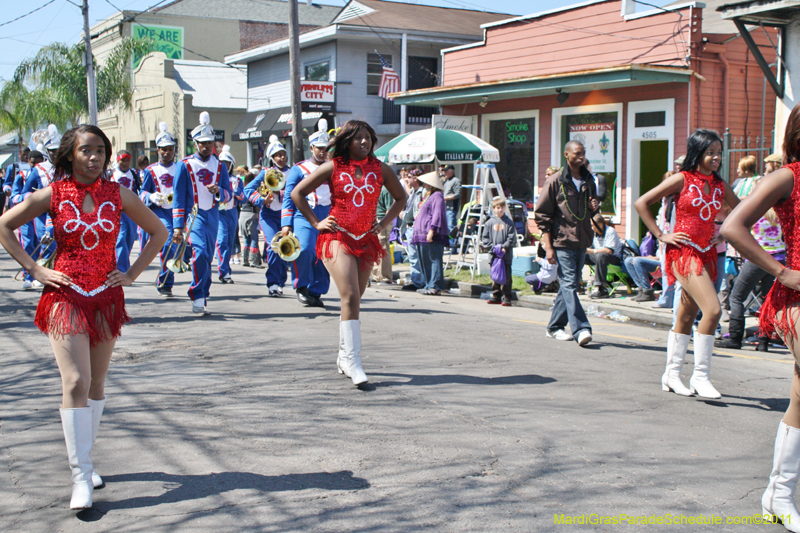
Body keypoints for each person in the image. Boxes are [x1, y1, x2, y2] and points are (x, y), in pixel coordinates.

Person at [0, 125, 167, 510]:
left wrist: (131, 273)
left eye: (101, 151)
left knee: (96, 383)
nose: (94, 158)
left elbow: (159, 232)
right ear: (70, 155)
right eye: (86, 150)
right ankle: (81, 476)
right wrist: (36, 270)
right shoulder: (53, 194)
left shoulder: (119, 193)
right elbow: (5, 225)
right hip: (65, 295)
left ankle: (87, 462)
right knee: (75, 379)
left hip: (106, 296)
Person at [721, 104, 800, 530]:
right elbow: (733, 226)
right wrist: (782, 271)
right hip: (794, 299)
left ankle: (779, 494)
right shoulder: (788, 176)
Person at [292, 120, 406, 386]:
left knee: (353, 300)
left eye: (368, 137)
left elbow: (401, 197)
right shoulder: (333, 166)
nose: (365, 142)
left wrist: (384, 221)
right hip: (337, 236)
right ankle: (354, 362)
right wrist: (316, 222)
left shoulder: (380, 169)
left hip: (366, 239)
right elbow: (299, 193)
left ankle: (344, 356)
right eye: (359, 138)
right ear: (347, 141)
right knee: (351, 295)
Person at [634, 129, 739, 399]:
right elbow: (641, 202)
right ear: (697, 153)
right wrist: (661, 235)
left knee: (686, 316)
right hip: (682, 253)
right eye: (710, 153)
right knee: (713, 311)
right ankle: (700, 376)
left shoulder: (720, 184)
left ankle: (671, 374)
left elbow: (740, 212)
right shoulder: (683, 178)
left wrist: (724, 230)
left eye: (718, 152)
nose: (716, 157)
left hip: (707, 253)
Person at [535, 140, 600, 347]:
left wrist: (594, 207)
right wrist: (548, 247)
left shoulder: (589, 179)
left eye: (583, 153)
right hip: (561, 240)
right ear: (566, 155)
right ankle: (581, 329)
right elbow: (542, 215)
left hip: (581, 240)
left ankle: (554, 327)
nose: (581, 157)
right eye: (577, 153)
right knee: (570, 284)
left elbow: (591, 210)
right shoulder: (555, 181)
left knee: (568, 285)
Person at [173, 111, 233, 314]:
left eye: (210, 143)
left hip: (213, 215)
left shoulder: (220, 166)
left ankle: (203, 293)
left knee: (207, 257)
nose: (207, 146)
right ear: (196, 143)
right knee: (199, 253)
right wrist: (178, 226)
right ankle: (197, 294)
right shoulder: (185, 165)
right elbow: (179, 197)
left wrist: (219, 192)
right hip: (194, 215)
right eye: (203, 143)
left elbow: (229, 195)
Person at [280, 119, 332, 307]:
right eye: (318, 148)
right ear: (311, 148)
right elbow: (289, 196)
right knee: (305, 249)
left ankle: (316, 290)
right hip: (304, 214)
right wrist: (286, 223)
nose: (322, 151)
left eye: (325, 148)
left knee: (325, 255)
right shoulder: (299, 169)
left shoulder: (333, 168)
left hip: (328, 214)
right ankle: (301, 286)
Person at [244, 136, 290, 296]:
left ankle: (281, 282)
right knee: (273, 247)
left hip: (286, 216)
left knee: (285, 247)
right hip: (268, 215)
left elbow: (299, 193)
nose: (282, 158)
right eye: (278, 155)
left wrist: (280, 192)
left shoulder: (293, 172)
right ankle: (273, 283)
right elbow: (248, 190)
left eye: (283, 154)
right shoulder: (264, 172)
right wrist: (262, 200)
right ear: (272, 157)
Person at [140, 122, 178, 297]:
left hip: (178, 210)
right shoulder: (151, 170)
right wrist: (151, 197)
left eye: (170, 149)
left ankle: (166, 278)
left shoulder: (181, 168)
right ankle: (165, 282)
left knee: (179, 248)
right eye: (163, 149)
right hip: (160, 211)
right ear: (158, 150)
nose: (167, 152)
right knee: (168, 241)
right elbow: (141, 194)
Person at [412, 171, 449, 295]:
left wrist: (432, 230)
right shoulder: (428, 195)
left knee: (434, 259)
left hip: (431, 233)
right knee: (424, 260)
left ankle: (435, 286)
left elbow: (437, 214)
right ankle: (428, 284)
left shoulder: (437, 195)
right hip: (421, 232)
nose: (424, 184)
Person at [215, 145, 245, 284]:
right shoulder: (215, 179)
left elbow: (243, 198)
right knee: (221, 241)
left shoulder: (237, 180)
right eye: (221, 164)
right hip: (219, 212)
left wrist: (236, 192)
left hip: (232, 212)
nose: (223, 167)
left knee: (229, 242)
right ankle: (223, 270)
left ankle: (225, 269)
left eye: (226, 164)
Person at [481, 196, 517, 305]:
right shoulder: (489, 223)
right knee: (495, 275)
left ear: (505, 208)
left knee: (506, 277)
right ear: (493, 208)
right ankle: (496, 295)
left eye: (502, 207)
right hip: (494, 255)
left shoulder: (509, 222)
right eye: (497, 207)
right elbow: (485, 238)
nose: (499, 210)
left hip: (505, 255)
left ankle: (507, 297)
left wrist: (504, 247)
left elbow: (511, 237)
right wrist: (493, 248)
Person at [109, 150, 139, 273]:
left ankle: (123, 261)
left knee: (130, 238)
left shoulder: (134, 173)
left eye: (127, 160)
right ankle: (121, 269)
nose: (125, 163)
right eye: (123, 160)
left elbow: (138, 189)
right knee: (120, 237)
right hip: (116, 211)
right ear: (117, 161)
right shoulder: (111, 174)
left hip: (130, 210)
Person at [584, 214, 624, 299]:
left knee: (601, 255)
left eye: (592, 225)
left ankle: (602, 289)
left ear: (599, 224)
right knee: (580, 254)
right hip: (600, 258)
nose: (591, 227)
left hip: (614, 259)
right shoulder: (594, 233)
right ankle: (575, 283)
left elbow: (608, 251)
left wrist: (591, 251)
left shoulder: (610, 231)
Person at [401, 168, 425, 291]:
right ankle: (416, 281)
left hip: (417, 228)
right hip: (409, 228)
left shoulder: (423, 192)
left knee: (418, 257)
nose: (406, 179)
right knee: (413, 257)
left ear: (416, 178)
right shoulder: (413, 192)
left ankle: (420, 282)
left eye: (409, 176)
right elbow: (409, 206)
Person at [371, 185, 395, 285]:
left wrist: (384, 223)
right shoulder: (374, 188)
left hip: (382, 220)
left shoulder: (386, 189)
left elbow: (390, 209)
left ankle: (385, 276)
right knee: (375, 247)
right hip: (375, 219)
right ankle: (377, 275)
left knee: (383, 246)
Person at [238, 171, 261, 268]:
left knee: (246, 238)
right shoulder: (253, 190)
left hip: (242, 215)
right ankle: (253, 260)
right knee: (254, 238)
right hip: (251, 214)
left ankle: (245, 260)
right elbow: (257, 203)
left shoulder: (242, 190)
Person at [3, 146, 30, 214]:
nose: (26, 157)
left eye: (27, 154)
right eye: (24, 154)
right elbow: (7, 183)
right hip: (15, 199)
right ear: (19, 154)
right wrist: (7, 190)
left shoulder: (34, 167)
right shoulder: (13, 167)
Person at [441, 164, 461, 254]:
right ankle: (449, 245)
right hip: (445, 208)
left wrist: (447, 198)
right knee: (446, 228)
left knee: (451, 227)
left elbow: (458, 194)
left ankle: (454, 248)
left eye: (446, 171)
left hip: (451, 207)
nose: (444, 173)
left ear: (451, 171)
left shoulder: (456, 181)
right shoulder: (445, 181)